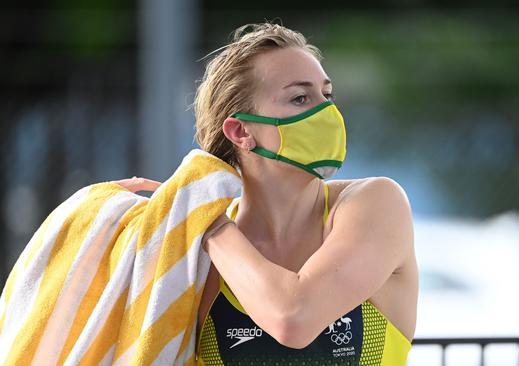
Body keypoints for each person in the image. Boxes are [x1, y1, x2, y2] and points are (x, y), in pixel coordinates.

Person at [124, 22, 418, 365]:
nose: (326, 112)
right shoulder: (194, 256)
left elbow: (293, 318)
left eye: (327, 94)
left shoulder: (375, 203)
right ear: (240, 131)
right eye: (300, 98)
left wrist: (212, 227)